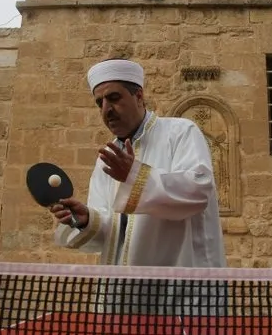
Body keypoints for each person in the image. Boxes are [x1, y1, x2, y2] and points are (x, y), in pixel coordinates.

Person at [50, 59, 227, 314]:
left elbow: (198, 191)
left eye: (113, 97)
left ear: (139, 95)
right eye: (99, 102)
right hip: (124, 298)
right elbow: (109, 231)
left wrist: (134, 175)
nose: (106, 109)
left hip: (184, 297)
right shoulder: (106, 160)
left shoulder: (181, 132)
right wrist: (87, 219)